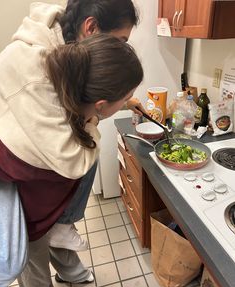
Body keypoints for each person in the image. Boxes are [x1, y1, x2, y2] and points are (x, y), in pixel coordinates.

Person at [0, 32, 143, 287]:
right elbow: (81, 155)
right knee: (34, 266)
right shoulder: (61, 149)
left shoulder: (65, 85)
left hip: (52, 211)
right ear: (100, 104)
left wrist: (121, 104)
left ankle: (72, 272)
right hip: (28, 217)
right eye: (126, 96)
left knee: (60, 232)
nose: (129, 100)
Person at [20, 0, 145, 251]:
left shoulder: (73, 47)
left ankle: (64, 242)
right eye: (120, 40)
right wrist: (96, 120)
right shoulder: (38, 68)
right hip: (21, 177)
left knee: (56, 231)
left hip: (35, 161)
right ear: (92, 27)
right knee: (32, 250)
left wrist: (124, 101)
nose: (121, 48)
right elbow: (69, 154)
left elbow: (93, 94)